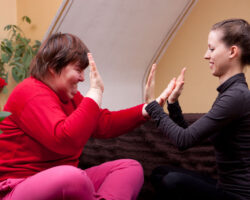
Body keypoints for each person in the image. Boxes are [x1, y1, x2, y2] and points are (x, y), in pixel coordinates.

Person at [0, 32, 162, 200]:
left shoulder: (69, 96)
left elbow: (102, 123)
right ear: (53, 68)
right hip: (18, 187)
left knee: (129, 168)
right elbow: (64, 140)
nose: (83, 78)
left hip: (66, 181)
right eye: (78, 70)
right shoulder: (29, 92)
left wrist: (146, 109)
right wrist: (95, 93)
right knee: (72, 178)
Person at [143, 18, 250, 200]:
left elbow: (183, 140)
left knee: (172, 181)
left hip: (239, 197)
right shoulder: (231, 93)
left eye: (212, 48)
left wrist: (152, 105)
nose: (206, 55)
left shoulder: (236, 96)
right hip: (223, 188)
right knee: (161, 173)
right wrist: (173, 103)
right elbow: (190, 135)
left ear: (232, 52)